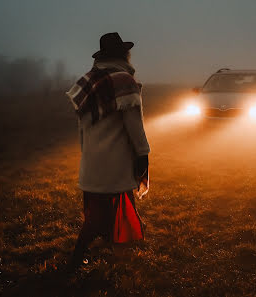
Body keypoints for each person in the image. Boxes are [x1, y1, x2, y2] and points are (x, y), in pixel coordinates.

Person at [66, 32, 150, 268]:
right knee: (99, 215)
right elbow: (135, 126)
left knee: (99, 208)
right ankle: (76, 258)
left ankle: (111, 245)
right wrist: (143, 155)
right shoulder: (124, 81)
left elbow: (82, 127)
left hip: (92, 161)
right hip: (114, 161)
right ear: (124, 54)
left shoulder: (88, 80)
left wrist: (86, 155)